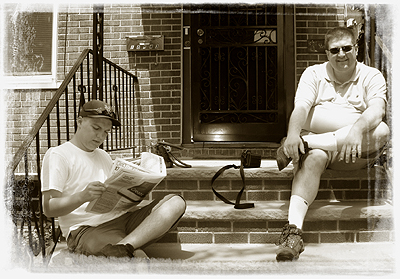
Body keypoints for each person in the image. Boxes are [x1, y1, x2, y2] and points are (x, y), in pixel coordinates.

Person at [275, 27, 390, 261]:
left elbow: (378, 110)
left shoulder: (372, 75)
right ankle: (292, 234)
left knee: (381, 130)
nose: (341, 54)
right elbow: (301, 109)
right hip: (324, 151)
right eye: (335, 50)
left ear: (355, 49)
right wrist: (293, 133)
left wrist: (356, 129)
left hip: (355, 151)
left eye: (347, 48)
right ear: (327, 54)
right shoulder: (313, 73)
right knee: (314, 156)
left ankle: (306, 141)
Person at [41, 99, 186, 258]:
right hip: (87, 228)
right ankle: (126, 250)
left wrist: (135, 193)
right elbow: (49, 208)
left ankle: (123, 247)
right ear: (80, 122)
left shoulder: (102, 155)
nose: (100, 136)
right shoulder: (58, 155)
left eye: (106, 132)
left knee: (176, 202)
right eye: (96, 128)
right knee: (139, 259)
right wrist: (83, 196)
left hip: (122, 217)